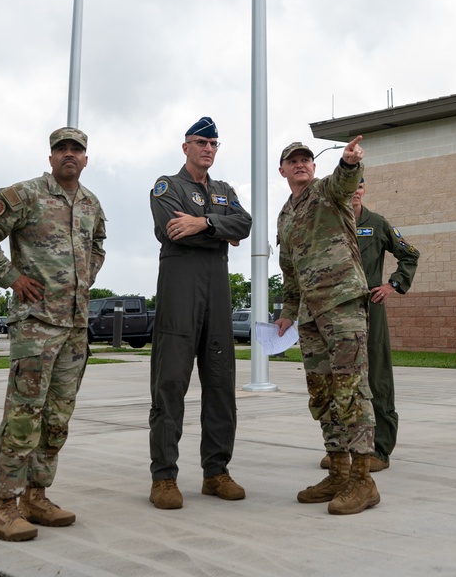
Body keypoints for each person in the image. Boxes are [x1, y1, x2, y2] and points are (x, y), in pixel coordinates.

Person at [0, 126, 106, 541]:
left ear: (85, 158)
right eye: (61, 149)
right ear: (50, 158)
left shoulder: (91, 203)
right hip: (36, 325)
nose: (69, 155)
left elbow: (98, 244)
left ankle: (36, 496)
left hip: (75, 326)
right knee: (24, 416)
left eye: (76, 149)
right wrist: (11, 276)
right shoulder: (26, 195)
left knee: (58, 418)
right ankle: (3, 506)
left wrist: (86, 278)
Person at [148, 116, 252, 510]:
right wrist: (219, 233)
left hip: (217, 292)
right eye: (200, 142)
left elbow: (244, 224)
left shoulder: (224, 191)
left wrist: (203, 223)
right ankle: (164, 477)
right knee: (170, 384)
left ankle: (216, 472)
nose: (208, 149)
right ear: (185, 147)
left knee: (222, 385)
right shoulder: (167, 186)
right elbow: (171, 227)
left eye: (214, 144)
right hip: (179, 291)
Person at [275, 136, 379, 515]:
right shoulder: (285, 214)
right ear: (283, 170)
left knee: (351, 387)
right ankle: (337, 469)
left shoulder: (327, 192)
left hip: (342, 303)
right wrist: (288, 309)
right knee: (322, 392)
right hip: (309, 314)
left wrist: (350, 163)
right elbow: (289, 267)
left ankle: (363, 479)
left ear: (314, 167)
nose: (301, 164)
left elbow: (344, 183)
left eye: (306, 159)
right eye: (293, 160)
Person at [318, 176, 419, 473]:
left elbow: (409, 255)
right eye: (352, 188)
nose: (356, 192)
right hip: (335, 310)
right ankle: (342, 448)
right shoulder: (328, 223)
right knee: (339, 378)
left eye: (360, 187)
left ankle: (380, 449)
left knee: (376, 377)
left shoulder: (377, 223)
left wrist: (393, 285)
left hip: (369, 310)